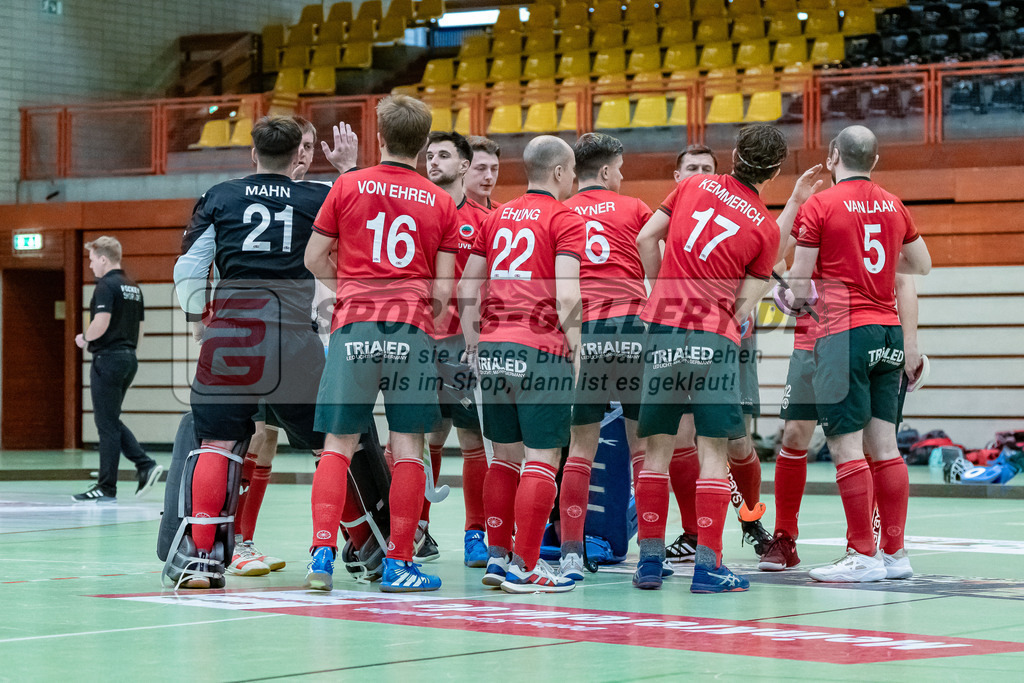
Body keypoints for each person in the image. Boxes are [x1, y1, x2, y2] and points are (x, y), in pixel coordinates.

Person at [171, 115, 340, 589]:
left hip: (231, 334)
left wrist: (200, 317)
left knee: (218, 445)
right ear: (298, 155)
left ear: (253, 154)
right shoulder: (319, 197)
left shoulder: (220, 196)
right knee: (330, 445)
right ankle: (332, 549)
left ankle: (201, 559)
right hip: (294, 338)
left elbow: (189, 271)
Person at [303, 94, 459, 593]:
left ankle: (322, 556)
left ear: (381, 138)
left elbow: (312, 258)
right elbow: (444, 290)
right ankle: (399, 562)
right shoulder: (441, 201)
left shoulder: (347, 185)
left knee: (338, 445)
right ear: (424, 144)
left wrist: (351, 283)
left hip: (354, 326)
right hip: (410, 327)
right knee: (409, 445)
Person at [634, 124, 789, 593]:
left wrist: (663, 290)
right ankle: (709, 566)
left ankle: (649, 562)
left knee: (657, 449)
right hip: (713, 336)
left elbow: (645, 239)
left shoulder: (692, 184)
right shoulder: (765, 227)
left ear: (735, 154)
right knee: (713, 451)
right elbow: (745, 305)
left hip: (662, 325)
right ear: (775, 172)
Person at [783, 125, 931, 583]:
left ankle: (861, 554)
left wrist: (784, 296)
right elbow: (921, 265)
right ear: (875, 160)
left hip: (842, 334)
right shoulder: (893, 202)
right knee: (885, 449)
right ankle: (895, 553)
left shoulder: (820, 205)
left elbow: (800, 285)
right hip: (888, 332)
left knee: (845, 447)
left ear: (832, 157)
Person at [229, 115, 358, 577]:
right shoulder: (252, 198)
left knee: (327, 443)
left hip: (316, 339)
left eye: (311, 145)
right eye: (300, 145)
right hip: (268, 336)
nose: (305, 152)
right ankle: (241, 542)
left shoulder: (326, 196)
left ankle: (341, 538)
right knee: (261, 438)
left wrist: (348, 169)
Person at [458, 135, 584, 594]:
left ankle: (498, 557)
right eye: (571, 171)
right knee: (543, 459)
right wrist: (578, 350)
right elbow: (567, 293)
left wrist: (475, 341)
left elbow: (467, 287)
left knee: (504, 458)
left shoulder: (496, 216)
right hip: (541, 348)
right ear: (558, 172)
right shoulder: (565, 218)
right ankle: (526, 565)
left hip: (494, 348)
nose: (572, 179)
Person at [558, 132, 652, 580]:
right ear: (607, 170)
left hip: (585, 332)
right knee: (643, 448)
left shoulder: (560, 212)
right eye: (620, 167)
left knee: (580, 448)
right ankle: (651, 557)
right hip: (633, 328)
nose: (623, 174)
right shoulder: (634, 209)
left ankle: (572, 553)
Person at [421, 131, 492, 567]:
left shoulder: (482, 219)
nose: (433, 162)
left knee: (470, 437)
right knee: (419, 436)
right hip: (416, 339)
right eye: (429, 155)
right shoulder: (413, 208)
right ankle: (417, 528)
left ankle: (476, 534)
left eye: (443, 155)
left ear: (464, 166)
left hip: (461, 343)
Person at [73, 237, 162, 503]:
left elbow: (101, 321)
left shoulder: (105, 286)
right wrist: (129, 352)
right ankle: (143, 465)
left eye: (92, 260)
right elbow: (141, 329)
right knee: (109, 419)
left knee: (105, 423)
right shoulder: (133, 287)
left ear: (103, 258)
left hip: (108, 358)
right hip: (128, 358)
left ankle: (108, 485)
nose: (90, 266)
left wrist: (85, 339)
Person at [464, 136, 502, 210]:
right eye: (481, 169)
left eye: (494, 169)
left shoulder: (503, 214)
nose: (489, 176)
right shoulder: (448, 214)